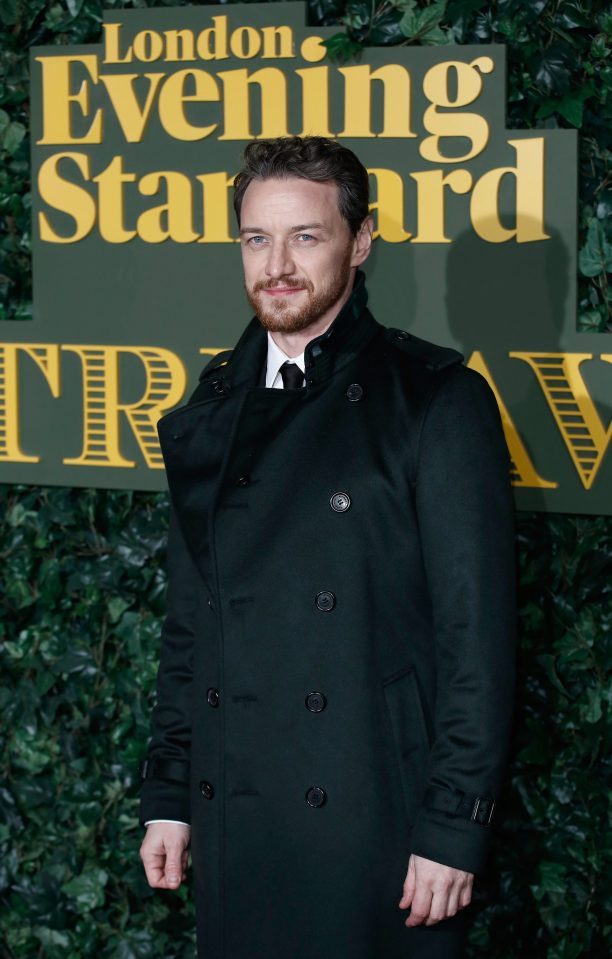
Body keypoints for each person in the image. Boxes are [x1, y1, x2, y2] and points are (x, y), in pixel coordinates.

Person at [139, 135, 517, 959]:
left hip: (375, 820)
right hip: (239, 815)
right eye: (256, 238)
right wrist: (169, 791)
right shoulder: (211, 406)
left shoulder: (435, 401)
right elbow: (190, 627)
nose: (277, 264)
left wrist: (455, 824)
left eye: (305, 236)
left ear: (362, 239)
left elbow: (477, 641)